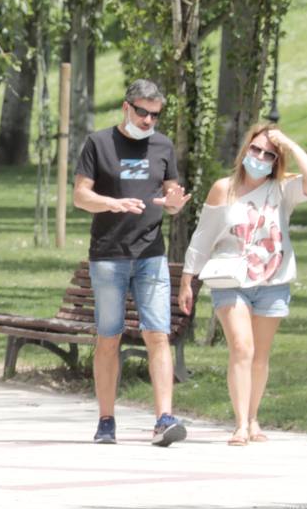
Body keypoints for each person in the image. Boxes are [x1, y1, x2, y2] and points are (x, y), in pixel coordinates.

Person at [72, 79, 190, 446]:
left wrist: (173, 203)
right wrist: (111, 203)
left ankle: (164, 419)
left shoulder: (163, 145)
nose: (149, 120)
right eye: (143, 112)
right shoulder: (99, 143)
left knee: (158, 335)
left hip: (151, 254)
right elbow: (80, 196)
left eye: (155, 115)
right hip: (109, 255)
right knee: (109, 337)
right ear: (126, 107)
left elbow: (170, 193)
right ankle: (106, 420)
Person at [179, 125, 307, 445]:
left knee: (260, 355)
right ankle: (239, 424)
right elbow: (203, 237)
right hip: (231, 279)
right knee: (241, 347)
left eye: (268, 154)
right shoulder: (223, 189)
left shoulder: (282, 189)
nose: (260, 158)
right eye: (256, 150)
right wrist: (187, 280)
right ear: (245, 150)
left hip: (273, 281)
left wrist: (288, 143)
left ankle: (253, 418)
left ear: (276, 160)